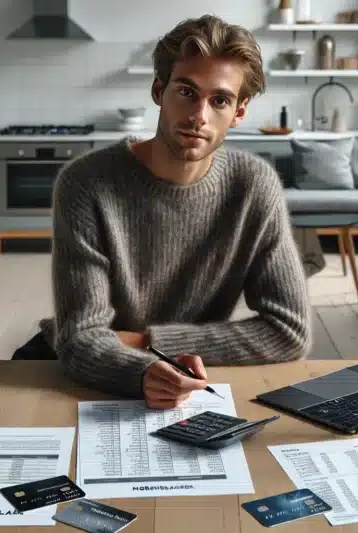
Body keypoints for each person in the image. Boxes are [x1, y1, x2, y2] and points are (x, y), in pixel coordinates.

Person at [38, 14, 312, 409]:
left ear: (239, 111)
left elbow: (289, 331)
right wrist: (141, 371)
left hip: (190, 379)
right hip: (87, 376)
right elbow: (80, 337)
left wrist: (151, 342)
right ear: (158, 90)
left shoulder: (253, 186)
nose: (199, 115)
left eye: (219, 100)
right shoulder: (86, 184)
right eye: (186, 92)